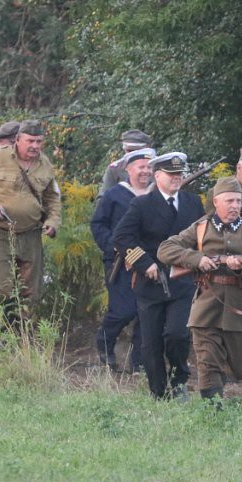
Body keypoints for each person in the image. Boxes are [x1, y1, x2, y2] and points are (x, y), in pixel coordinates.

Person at [158, 177, 242, 402]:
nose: (235, 206)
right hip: (208, 306)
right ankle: (212, 410)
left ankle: (219, 391)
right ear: (216, 202)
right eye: (229, 200)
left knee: (241, 369)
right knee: (207, 361)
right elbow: (166, 249)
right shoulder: (201, 228)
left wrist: (241, 269)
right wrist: (197, 259)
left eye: (238, 201)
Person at [112, 152, 204, 399]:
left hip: (182, 281)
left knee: (178, 334)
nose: (177, 179)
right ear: (157, 175)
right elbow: (121, 238)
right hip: (150, 283)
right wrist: (144, 263)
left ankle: (179, 382)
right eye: (171, 174)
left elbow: (202, 239)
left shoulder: (193, 202)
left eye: (179, 174)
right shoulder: (142, 204)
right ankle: (158, 391)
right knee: (151, 342)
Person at [0, 119, 61, 315]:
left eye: (39, 141)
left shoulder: (45, 164)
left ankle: (22, 337)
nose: (35, 146)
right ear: (17, 140)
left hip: (31, 235)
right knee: (0, 289)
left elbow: (52, 197)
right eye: (30, 141)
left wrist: (52, 222)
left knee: (30, 292)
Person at [89, 147, 154, 371]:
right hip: (120, 261)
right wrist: (113, 246)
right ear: (128, 169)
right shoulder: (114, 194)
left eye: (149, 167)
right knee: (124, 310)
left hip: (149, 262)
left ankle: (140, 362)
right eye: (141, 167)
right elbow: (98, 224)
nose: (146, 171)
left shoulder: (157, 195)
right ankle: (105, 342)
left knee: (147, 312)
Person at [99, 129, 152, 194]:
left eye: (137, 151)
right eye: (129, 151)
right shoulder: (115, 169)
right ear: (125, 150)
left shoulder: (158, 166)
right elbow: (102, 198)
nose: (132, 154)